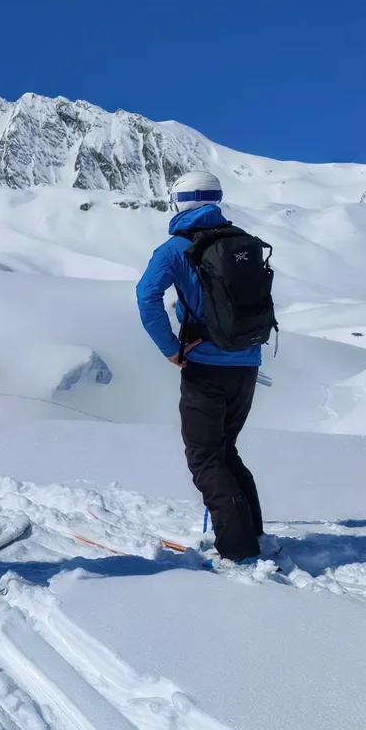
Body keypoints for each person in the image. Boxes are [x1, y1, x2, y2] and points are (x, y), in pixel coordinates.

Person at [135, 171, 266, 563]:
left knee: (205, 458)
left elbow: (147, 297)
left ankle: (238, 550)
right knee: (225, 451)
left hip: (205, 365)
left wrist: (170, 349)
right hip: (247, 363)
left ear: (181, 202)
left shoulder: (175, 248)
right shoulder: (242, 241)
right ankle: (253, 533)